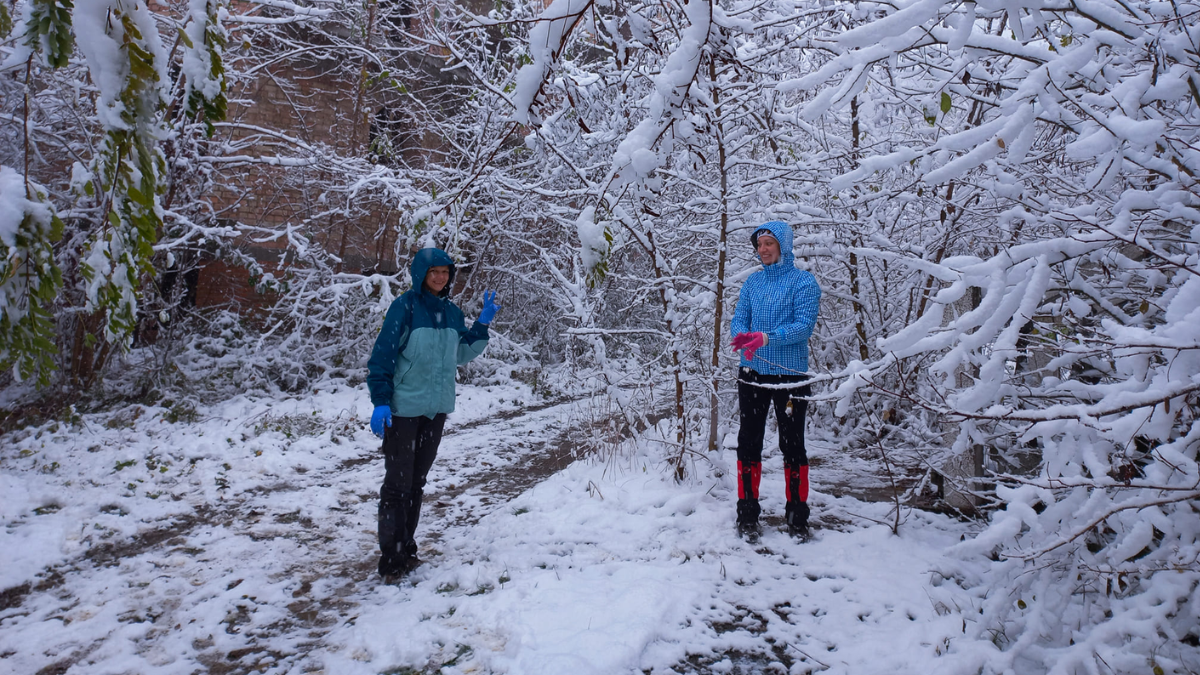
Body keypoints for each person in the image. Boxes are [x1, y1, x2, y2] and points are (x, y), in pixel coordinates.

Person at [366, 247, 500, 582]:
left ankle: (407, 550)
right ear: (421, 274)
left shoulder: (451, 312)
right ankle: (391, 560)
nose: (440, 278)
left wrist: (481, 324)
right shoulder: (405, 307)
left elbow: (460, 353)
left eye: (445, 272)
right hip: (403, 410)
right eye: (433, 272)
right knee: (397, 486)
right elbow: (382, 355)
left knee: (416, 484)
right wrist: (381, 400)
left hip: (435, 410)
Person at [729, 220, 821, 541]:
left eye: (769, 243)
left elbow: (803, 327)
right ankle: (747, 513)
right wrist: (741, 336)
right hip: (752, 374)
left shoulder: (803, 283)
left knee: (792, 445)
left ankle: (797, 516)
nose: (763, 249)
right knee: (748, 443)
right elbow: (739, 318)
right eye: (759, 244)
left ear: (784, 245)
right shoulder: (753, 284)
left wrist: (766, 338)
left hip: (790, 377)